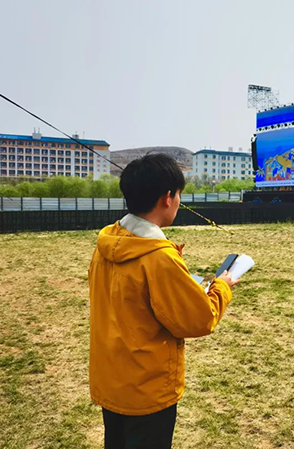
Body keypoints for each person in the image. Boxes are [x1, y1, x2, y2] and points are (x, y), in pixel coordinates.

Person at [88, 154, 238, 448]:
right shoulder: (159, 258)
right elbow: (199, 319)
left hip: (112, 381)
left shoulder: (106, 243)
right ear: (167, 198)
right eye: (179, 194)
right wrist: (222, 286)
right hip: (147, 390)